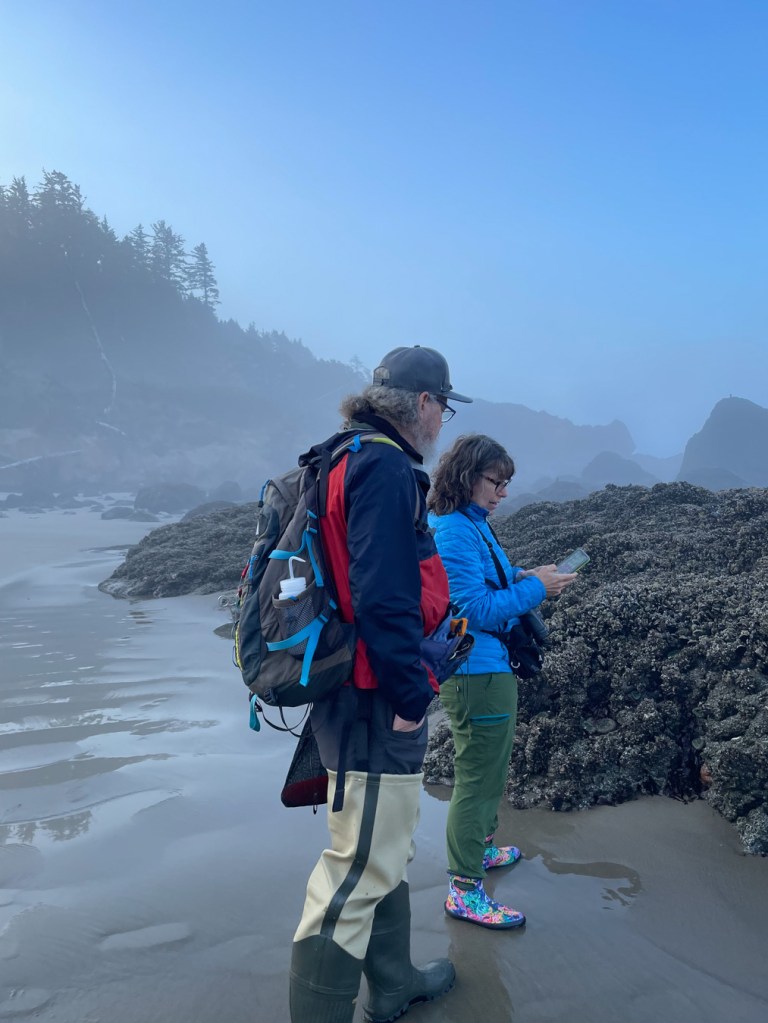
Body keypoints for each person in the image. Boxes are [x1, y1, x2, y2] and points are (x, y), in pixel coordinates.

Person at [290, 346, 472, 1023]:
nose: (442, 422)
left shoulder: (340, 454)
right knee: (357, 867)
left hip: (350, 689)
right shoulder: (386, 465)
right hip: (374, 697)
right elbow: (384, 596)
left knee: (382, 846)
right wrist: (410, 695)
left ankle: (392, 983)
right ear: (423, 402)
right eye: (444, 407)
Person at [427, 434, 576, 929]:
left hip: (488, 668)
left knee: (490, 771)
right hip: (473, 669)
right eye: (496, 482)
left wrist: (526, 574)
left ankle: (481, 851)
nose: (503, 493)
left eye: (506, 483)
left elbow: (494, 576)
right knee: (475, 779)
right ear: (468, 476)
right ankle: (464, 890)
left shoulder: (472, 525)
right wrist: (537, 589)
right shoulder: (451, 530)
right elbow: (471, 610)